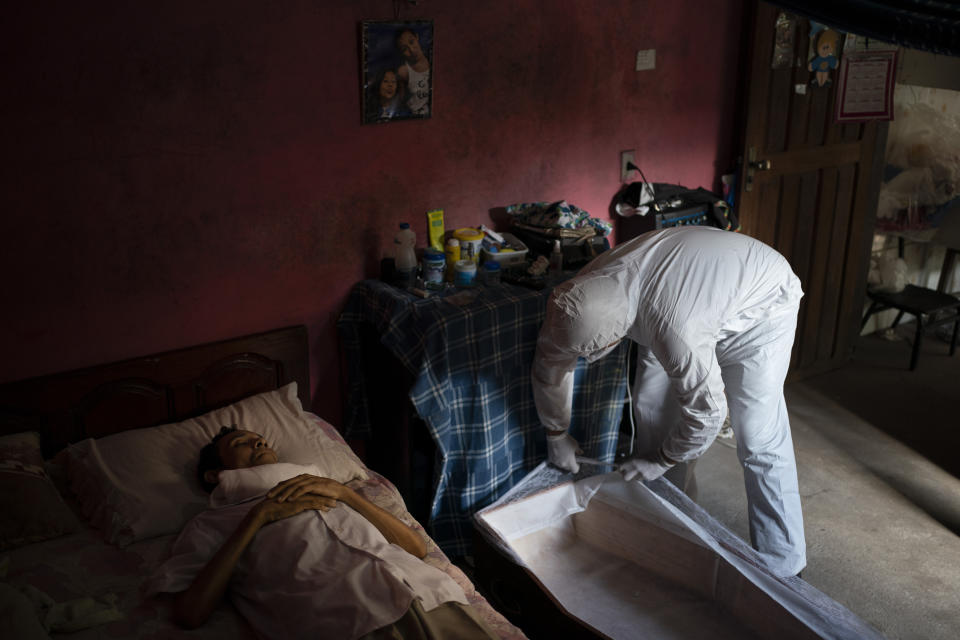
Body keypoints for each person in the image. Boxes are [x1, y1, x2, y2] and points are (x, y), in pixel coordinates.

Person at [531, 226, 806, 578]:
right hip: (681, 290)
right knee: (652, 409)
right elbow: (552, 360)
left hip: (763, 300)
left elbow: (709, 411)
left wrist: (663, 459)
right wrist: (556, 432)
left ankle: (785, 562)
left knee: (756, 432)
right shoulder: (585, 290)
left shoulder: (674, 330)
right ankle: (673, 521)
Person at [143, 426, 498, 639]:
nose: (258, 443)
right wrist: (257, 517)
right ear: (212, 475)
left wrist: (344, 492)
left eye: (260, 438)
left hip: (427, 596)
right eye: (242, 443)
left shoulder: (326, 487)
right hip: (350, 621)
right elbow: (190, 614)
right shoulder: (213, 522)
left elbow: (416, 549)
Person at [395, 28, 430, 116]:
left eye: (411, 42)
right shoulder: (404, 71)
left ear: (417, 37)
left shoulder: (433, 57)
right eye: (404, 49)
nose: (411, 50)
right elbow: (400, 101)